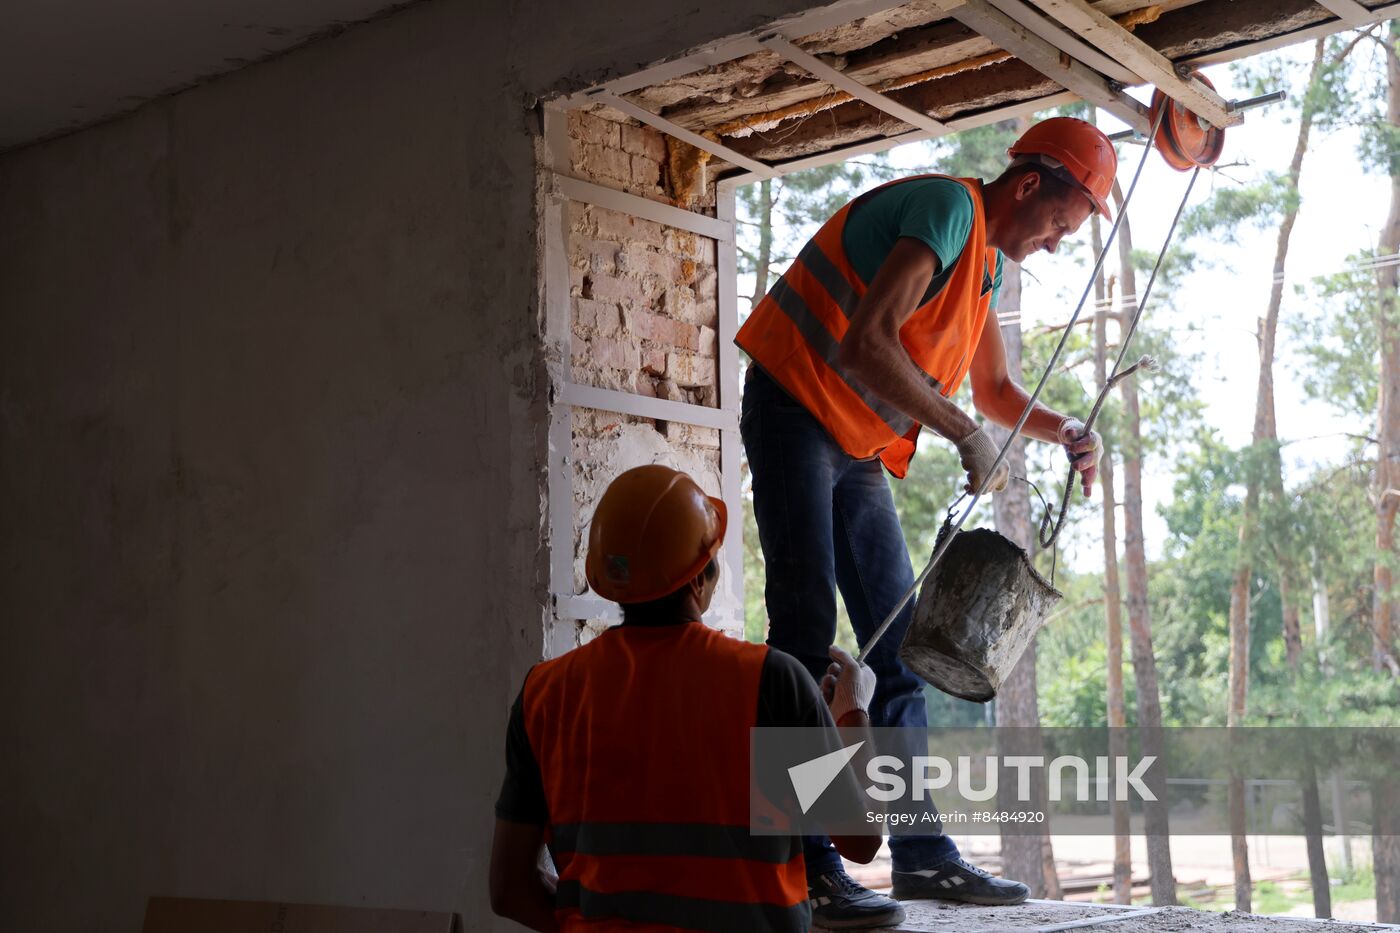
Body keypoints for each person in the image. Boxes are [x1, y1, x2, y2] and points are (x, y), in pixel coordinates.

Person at [734, 116, 1112, 924]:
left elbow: (996, 396)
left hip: (854, 444)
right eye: (1061, 223)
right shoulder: (947, 210)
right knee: (801, 630)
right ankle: (800, 861)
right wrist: (965, 436)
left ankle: (923, 855)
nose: (1055, 243)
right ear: (1028, 185)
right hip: (797, 406)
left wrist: (1064, 428)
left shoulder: (984, 270)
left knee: (899, 645)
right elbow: (866, 343)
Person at [490, 464, 899, 932]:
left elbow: (508, 889)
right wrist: (853, 712)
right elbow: (861, 839)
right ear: (699, 577)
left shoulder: (546, 693)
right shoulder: (769, 680)